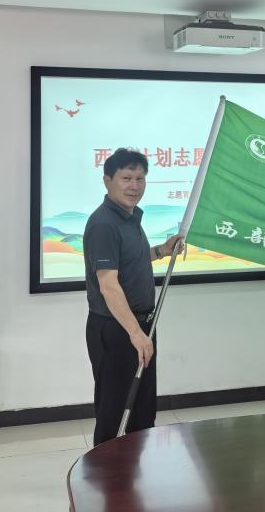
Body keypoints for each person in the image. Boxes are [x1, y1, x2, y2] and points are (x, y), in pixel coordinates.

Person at [83, 148, 182, 445]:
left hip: (140, 327)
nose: (134, 186)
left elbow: (129, 262)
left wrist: (162, 250)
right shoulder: (104, 224)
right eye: (126, 178)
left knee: (142, 410)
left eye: (140, 179)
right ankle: (106, 472)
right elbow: (108, 285)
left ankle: (137, 469)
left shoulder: (130, 219)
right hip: (118, 329)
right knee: (115, 412)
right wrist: (135, 333)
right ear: (107, 181)